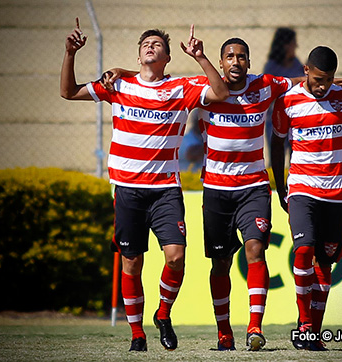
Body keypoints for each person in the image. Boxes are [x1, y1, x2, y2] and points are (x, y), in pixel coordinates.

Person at [103, 37, 342, 352]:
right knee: (221, 263)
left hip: (254, 187)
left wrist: (339, 83)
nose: (236, 61)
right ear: (221, 63)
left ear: (249, 63)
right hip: (216, 190)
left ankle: (255, 327)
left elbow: (303, 81)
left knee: (256, 251)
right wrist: (124, 72)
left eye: (242, 56)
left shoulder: (265, 86)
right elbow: (156, 81)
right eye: (229, 56)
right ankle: (224, 333)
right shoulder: (205, 90)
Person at [60, 19, 229, 352]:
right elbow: (67, 92)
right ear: (138, 56)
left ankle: (163, 315)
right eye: (146, 45)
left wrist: (200, 57)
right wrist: (69, 53)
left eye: (158, 46)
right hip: (127, 190)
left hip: (165, 190)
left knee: (176, 256)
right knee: (131, 263)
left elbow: (221, 92)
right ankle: (137, 334)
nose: (151, 47)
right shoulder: (118, 85)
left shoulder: (181, 88)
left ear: (167, 58)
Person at [270, 46, 342, 351]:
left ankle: (315, 333)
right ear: (307, 70)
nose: (323, 85)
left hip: (336, 193)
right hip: (302, 189)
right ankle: (304, 324)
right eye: (319, 78)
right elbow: (276, 144)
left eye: (330, 79)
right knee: (303, 251)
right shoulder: (288, 101)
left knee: (325, 264)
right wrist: (280, 185)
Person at [262, 27, 305, 167]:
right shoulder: (271, 67)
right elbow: (269, 92)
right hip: (275, 118)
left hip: (295, 117)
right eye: (293, 43)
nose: (296, 46)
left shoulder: (297, 64)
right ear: (285, 45)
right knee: (276, 154)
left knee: (297, 156)